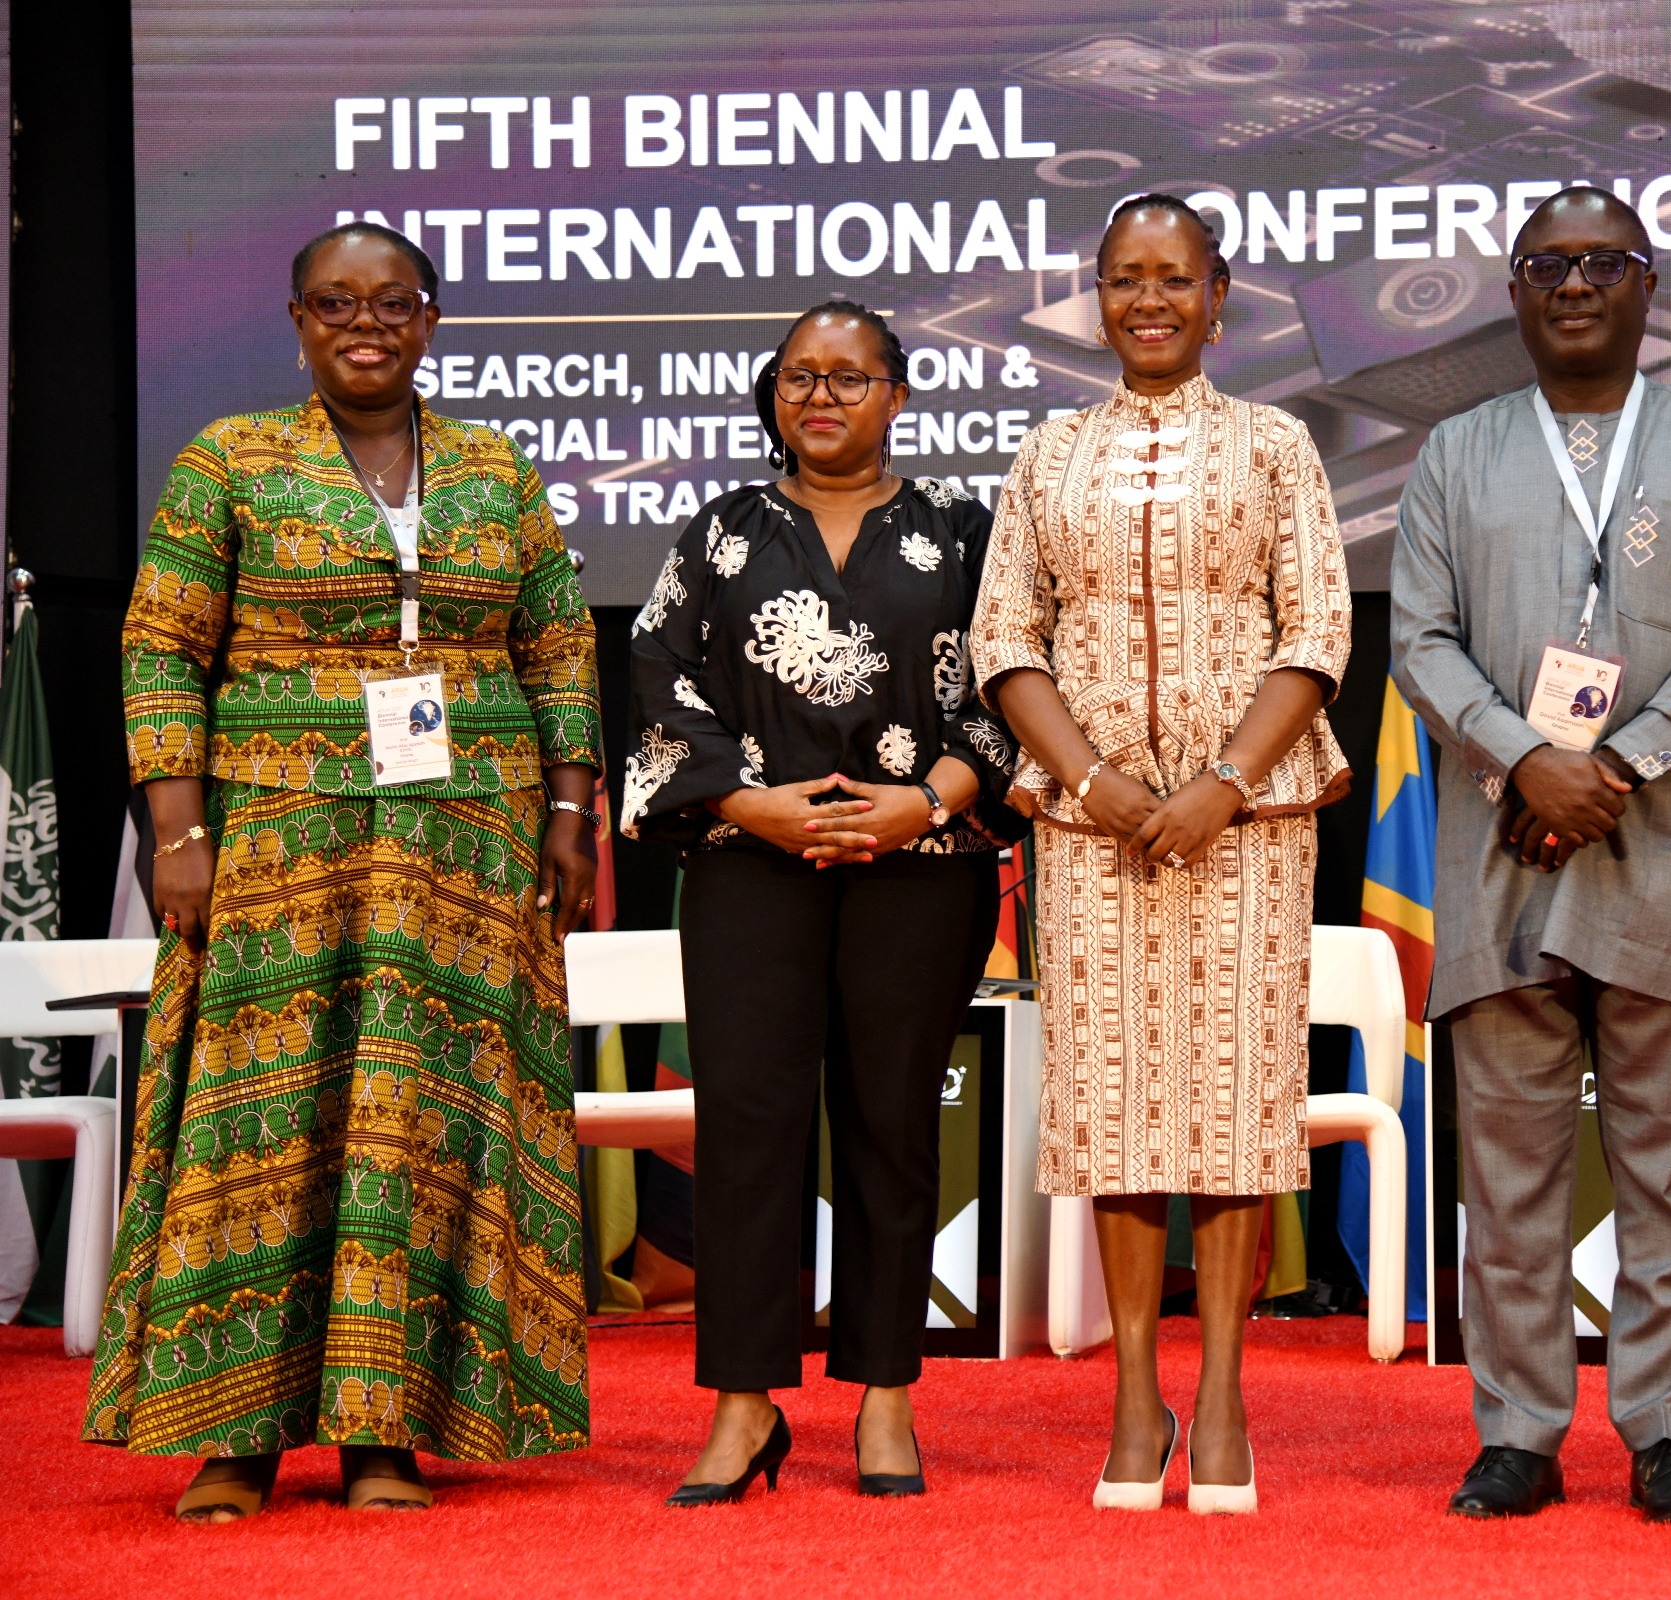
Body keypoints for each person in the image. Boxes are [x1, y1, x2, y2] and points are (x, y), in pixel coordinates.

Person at [87, 222, 602, 1518]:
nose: (363, 325)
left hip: (466, 848)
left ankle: (389, 1435)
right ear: (299, 319)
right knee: (265, 1113)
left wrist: (575, 807)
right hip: (278, 842)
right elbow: (160, 649)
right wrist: (177, 830)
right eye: (334, 303)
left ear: (431, 317)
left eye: (391, 302)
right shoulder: (232, 462)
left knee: (422, 1117)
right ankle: (234, 1437)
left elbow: (556, 645)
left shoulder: (494, 467)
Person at [1389, 186, 1671, 1525]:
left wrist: (1613, 766)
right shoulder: (1453, 453)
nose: (1574, 285)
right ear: (1510, 290)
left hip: (1664, 848)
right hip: (1504, 850)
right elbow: (1421, 641)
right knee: (1507, 1176)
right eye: (1547, 265)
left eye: (1601, 263)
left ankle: (1668, 1429)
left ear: (1647, 283)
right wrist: (1528, 757)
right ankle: (1516, 1431)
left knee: (1667, 1171)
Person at [973, 194, 1351, 1514]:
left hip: (1249, 825)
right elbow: (1004, 640)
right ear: (1097, 295)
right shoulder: (1048, 452)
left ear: (1219, 294)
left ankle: (1229, 1387)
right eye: (1125, 280)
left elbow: (1317, 632)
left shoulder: (1275, 444)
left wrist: (1223, 785)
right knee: (1118, 1108)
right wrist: (1092, 780)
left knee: (1236, 1108)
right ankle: (1137, 1392)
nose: (1149, 302)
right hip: (1091, 829)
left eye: (1174, 280)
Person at [623, 300, 1022, 1505]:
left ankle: (887, 1396)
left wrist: (934, 800)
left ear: (897, 395)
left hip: (922, 863)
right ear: (772, 395)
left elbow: (1017, 675)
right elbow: (657, 675)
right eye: (800, 378)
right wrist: (751, 806)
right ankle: (744, 1403)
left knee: (893, 1126)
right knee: (748, 1130)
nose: (822, 399)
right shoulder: (721, 531)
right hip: (753, 867)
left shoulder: (965, 528)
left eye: (849, 379)